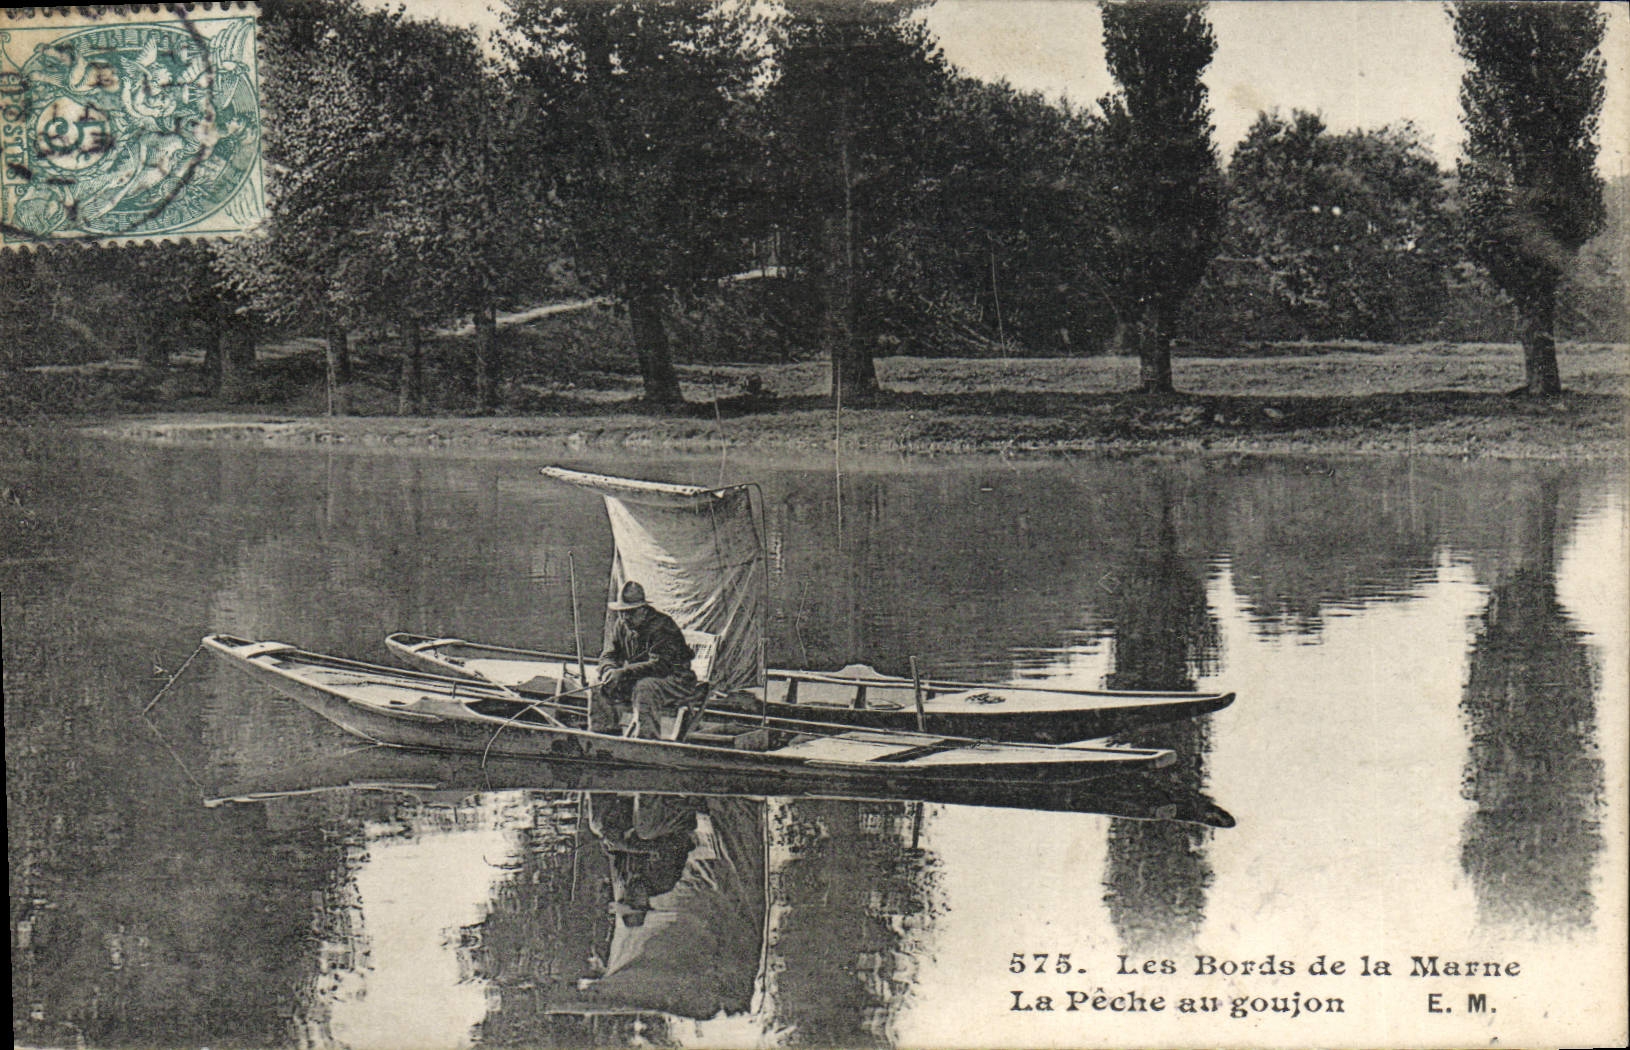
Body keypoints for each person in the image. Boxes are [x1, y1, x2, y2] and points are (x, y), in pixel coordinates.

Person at [590, 581, 699, 738]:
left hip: (676, 680)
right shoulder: (621, 625)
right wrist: (609, 670)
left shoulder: (663, 626)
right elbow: (609, 654)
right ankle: (604, 736)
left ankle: (646, 740)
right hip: (639, 677)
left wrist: (624, 672)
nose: (625, 617)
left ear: (643, 610)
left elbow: (660, 666)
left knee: (646, 687)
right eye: (622, 612)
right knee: (598, 684)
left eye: (631, 612)